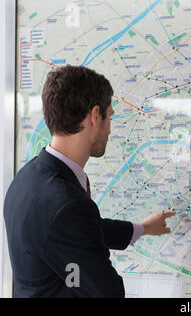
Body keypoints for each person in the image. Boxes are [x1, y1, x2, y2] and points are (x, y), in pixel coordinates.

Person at [3, 65, 176, 297]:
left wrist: (142, 229)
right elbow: (107, 291)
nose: (110, 130)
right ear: (95, 116)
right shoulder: (66, 204)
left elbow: (77, 231)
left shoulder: (27, 178)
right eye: (110, 117)